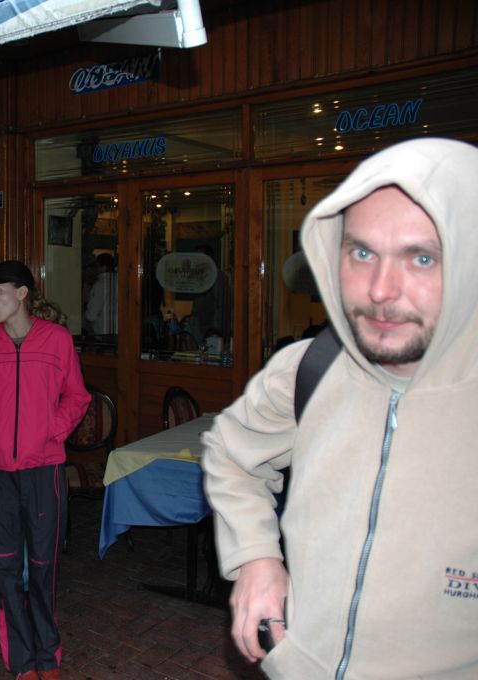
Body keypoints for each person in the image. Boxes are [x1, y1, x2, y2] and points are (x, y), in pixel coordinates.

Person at [201, 137, 478, 679]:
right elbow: (231, 453)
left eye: (422, 258)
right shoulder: (310, 366)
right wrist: (256, 556)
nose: (380, 290)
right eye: (362, 253)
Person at [0, 260, 91, 680]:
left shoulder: (56, 340)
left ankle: (47, 655)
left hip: (44, 471)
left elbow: (77, 396)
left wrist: (51, 431)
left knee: (42, 566)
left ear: (21, 293)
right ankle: (21, 661)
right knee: (4, 567)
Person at [84, 252, 118, 337]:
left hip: (104, 334)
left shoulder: (100, 285)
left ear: (103, 267)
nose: (95, 270)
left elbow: (91, 315)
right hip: (120, 333)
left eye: (97, 266)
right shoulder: (120, 282)